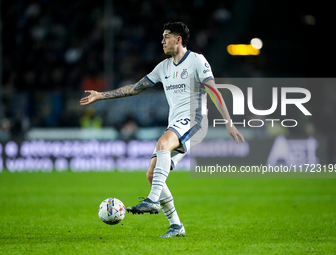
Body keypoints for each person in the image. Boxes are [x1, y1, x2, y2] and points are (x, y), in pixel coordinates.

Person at [80, 21, 244, 237]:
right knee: (152, 173)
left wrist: (229, 123)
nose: (162, 41)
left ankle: (153, 200)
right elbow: (135, 88)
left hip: (194, 121)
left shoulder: (197, 61)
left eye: (166, 36)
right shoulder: (163, 67)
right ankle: (176, 226)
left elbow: (214, 92)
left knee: (162, 143)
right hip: (176, 124)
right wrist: (102, 95)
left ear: (178, 39)